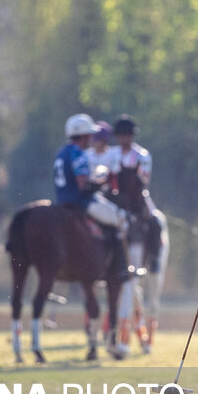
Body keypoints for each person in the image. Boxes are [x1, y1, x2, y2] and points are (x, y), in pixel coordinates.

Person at [54, 113, 132, 281]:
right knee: (121, 218)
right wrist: (100, 182)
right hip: (82, 202)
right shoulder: (78, 153)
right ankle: (121, 268)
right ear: (84, 136)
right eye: (90, 134)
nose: (92, 138)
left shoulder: (62, 152)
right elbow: (83, 186)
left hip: (61, 203)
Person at [112, 114, 162, 272]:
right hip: (115, 196)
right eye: (121, 135)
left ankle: (154, 259)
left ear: (132, 136)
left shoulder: (142, 155)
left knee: (155, 222)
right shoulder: (112, 154)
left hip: (138, 197)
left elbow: (144, 179)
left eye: (127, 135)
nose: (124, 138)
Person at [85, 120, 119, 193]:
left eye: (100, 140)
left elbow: (115, 174)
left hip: (109, 191)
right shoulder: (86, 154)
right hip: (90, 189)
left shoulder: (114, 154)